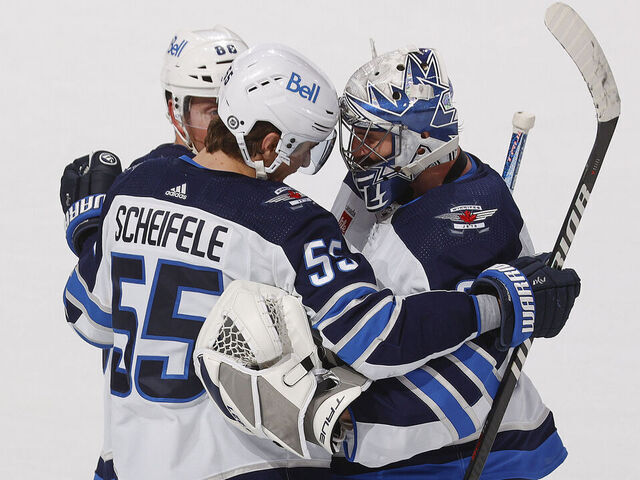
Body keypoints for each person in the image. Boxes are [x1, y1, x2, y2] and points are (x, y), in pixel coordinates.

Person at [61, 30, 334, 480]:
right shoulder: (271, 212)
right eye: (209, 107)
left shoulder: (138, 186)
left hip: (138, 460)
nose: (227, 119)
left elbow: (87, 314)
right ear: (175, 108)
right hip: (234, 460)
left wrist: (89, 235)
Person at [327, 46, 574, 479]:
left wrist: (359, 427)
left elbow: (468, 365)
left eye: (373, 137)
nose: (359, 151)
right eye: (359, 135)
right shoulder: (383, 184)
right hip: (396, 443)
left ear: (419, 140)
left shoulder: (462, 224)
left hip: (458, 454)